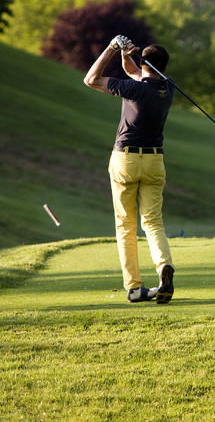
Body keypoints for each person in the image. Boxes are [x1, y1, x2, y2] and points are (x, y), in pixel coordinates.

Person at [84, 35, 175, 304]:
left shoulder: (133, 90)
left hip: (126, 159)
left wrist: (112, 48)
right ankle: (163, 266)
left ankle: (135, 288)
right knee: (153, 222)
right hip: (155, 161)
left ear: (145, 62)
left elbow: (91, 79)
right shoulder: (167, 89)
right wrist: (127, 55)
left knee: (126, 225)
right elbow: (136, 72)